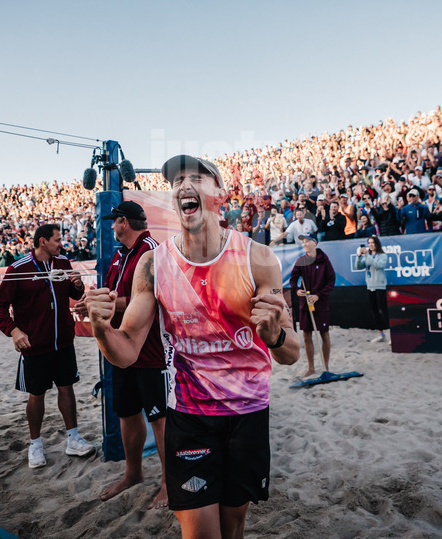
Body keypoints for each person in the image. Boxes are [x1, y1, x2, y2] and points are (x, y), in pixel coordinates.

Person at [85, 155, 299, 539]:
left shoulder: (258, 258)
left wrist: (275, 337)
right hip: (189, 417)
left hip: (247, 415)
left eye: (196, 177)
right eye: (177, 179)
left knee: (233, 527)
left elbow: (292, 351)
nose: (184, 184)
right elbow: (129, 349)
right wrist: (101, 329)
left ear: (219, 194)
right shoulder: (154, 264)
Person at [83, 201, 168, 509]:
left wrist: (102, 303)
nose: (111, 227)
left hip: (151, 351)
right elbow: (113, 296)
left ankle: (168, 483)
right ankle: (134, 474)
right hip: (122, 346)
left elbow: (149, 299)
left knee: (161, 419)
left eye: (114, 221)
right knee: (128, 413)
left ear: (124, 222)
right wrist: (93, 301)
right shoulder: (121, 255)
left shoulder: (152, 251)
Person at [0, 223, 95, 469]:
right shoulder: (18, 269)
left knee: (66, 388)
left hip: (63, 342)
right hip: (34, 345)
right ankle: (35, 444)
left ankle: (73, 438)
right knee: (36, 394)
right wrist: (14, 331)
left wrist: (78, 286)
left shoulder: (62, 263)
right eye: (57, 240)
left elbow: (71, 292)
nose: (62, 244)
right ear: (42, 242)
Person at [288, 232, 336, 378]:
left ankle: (326, 367)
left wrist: (318, 295)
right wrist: (297, 291)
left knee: (324, 334)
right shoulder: (301, 261)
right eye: (303, 242)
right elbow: (292, 280)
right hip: (305, 303)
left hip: (320, 302)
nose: (304, 244)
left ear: (315, 243)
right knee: (306, 334)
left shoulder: (324, 260)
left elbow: (331, 281)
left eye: (307, 241)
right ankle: (311, 368)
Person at [355, 236, 389, 343]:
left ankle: (390, 334)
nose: (370, 245)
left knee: (383, 310)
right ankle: (381, 334)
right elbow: (358, 266)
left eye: (372, 242)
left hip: (380, 286)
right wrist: (358, 256)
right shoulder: (367, 256)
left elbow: (378, 265)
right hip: (370, 286)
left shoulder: (382, 255)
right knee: (374, 311)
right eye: (369, 243)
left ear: (377, 244)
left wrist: (366, 255)